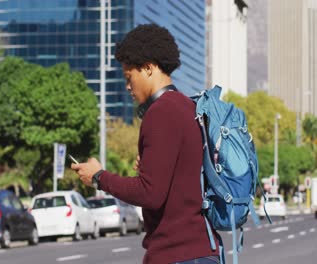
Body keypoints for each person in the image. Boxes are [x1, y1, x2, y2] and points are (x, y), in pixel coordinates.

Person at [71, 24, 219, 264]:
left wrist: (99, 177)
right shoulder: (189, 107)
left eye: (129, 77)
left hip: (178, 254)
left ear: (148, 68)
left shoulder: (161, 112)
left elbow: (150, 193)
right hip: (203, 250)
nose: (128, 86)